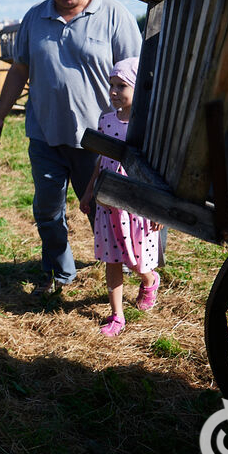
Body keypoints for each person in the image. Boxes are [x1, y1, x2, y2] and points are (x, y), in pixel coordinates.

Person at [0, 0, 142, 299]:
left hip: (100, 141)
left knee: (104, 212)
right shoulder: (35, 18)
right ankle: (59, 273)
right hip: (45, 134)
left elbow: (136, 77)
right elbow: (20, 69)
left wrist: (135, 129)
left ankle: (129, 273)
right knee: (47, 211)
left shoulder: (115, 16)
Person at [81, 57, 161, 337]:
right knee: (112, 260)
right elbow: (101, 160)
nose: (114, 91)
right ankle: (117, 316)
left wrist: (157, 208)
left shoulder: (146, 126)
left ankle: (149, 281)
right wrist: (90, 190)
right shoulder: (106, 120)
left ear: (136, 89)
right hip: (107, 202)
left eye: (121, 86)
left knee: (139, 262)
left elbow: (155, 169)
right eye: (111, 85)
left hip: (137, 206)